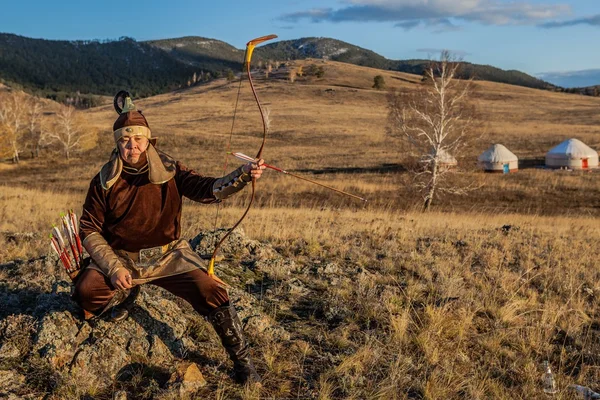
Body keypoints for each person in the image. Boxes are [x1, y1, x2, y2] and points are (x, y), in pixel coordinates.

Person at [73, 92, 265, 385]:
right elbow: (88, 228)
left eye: (138, 139)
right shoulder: (104, 179)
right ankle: (118, 299)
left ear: (149, 139)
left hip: (169, 257)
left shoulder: (171, 169)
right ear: (117, 143)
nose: (132, 146)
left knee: (211, 290)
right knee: (86, 291)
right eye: (125, 140)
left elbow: (209, 188)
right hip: (122, 258)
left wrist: (242, 174)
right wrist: (113, 268)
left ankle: (243, 364)